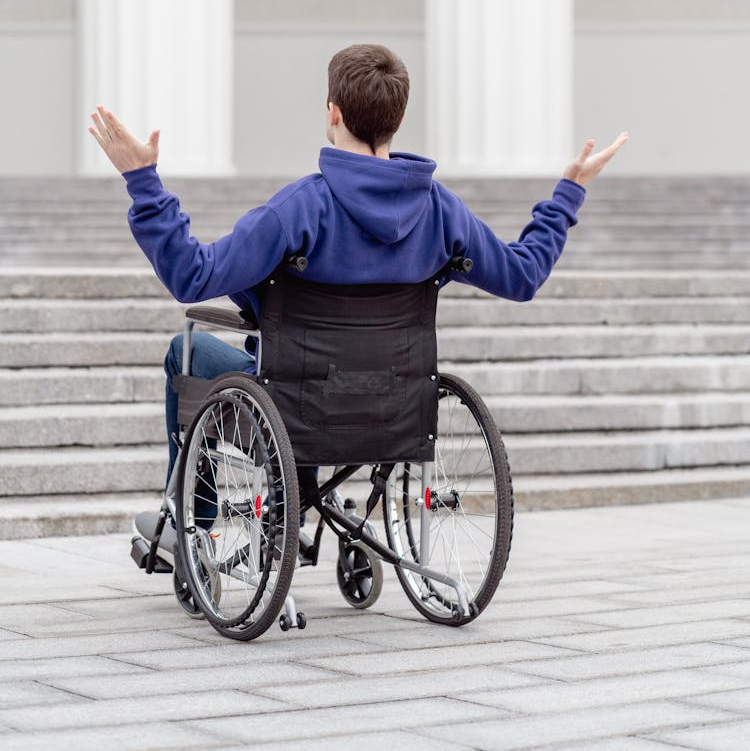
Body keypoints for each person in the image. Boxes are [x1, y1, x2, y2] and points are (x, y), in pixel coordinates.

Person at [89, 43, 628, 482]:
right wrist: (568, 192)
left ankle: (193, 522)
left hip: (295, 407)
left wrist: (143, 181)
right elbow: (522, 275)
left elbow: (193, 275)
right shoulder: (440, 211)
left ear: (333, 113)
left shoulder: (300, 209)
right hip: (395, 410)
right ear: (396, 118)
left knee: (184, 351)